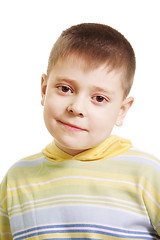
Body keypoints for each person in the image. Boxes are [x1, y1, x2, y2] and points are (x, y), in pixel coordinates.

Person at [0, 23, 160, 240]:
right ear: (45, 90)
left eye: (99, 98)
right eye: (65, 89)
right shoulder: (16, 179)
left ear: (121, 111)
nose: (76, 108)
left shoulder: (147, 175)